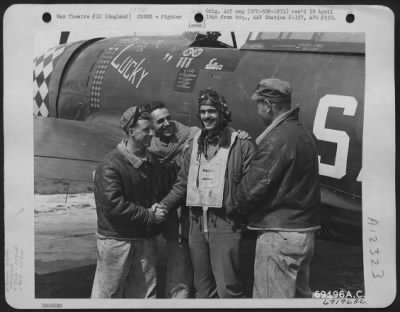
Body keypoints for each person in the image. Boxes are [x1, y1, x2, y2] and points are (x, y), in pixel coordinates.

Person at [153, 88, 256, 298]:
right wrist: (162, 205)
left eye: (212, 111)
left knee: (228, 288)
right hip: (197, 224)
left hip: (225, 225)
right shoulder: (194, 144)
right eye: (203, 111)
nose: (206, 116)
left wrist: (237, 214)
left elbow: (252, 188)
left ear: (222, 113)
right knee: (203, 288)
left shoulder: (241, 144)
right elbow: (182, 183)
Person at [233, 78, 321, 298]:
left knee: (270, 301)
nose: (258, 109)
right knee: (300, 300)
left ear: (268, 105)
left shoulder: (276, 140)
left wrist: (234, 210)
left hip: (279, 237)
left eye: (258, 104)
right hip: (304, 234)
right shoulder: (305, 135)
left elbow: (248, 192)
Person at [91, 105, 167, 298]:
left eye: (152, 128)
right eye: (146, 130)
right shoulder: (110, 165)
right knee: (108, 296)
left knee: (145, 297)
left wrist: (157, 205)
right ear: (131, 132)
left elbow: (157, 192)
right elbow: (114, 206)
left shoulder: (153, 162)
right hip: (116, 241)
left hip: (144, 240)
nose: (152, 133)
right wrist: (150, 216)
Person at [147, 101, 199, 298]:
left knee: (195, 262)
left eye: (169, 118)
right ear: (151, 126)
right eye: (161, 121)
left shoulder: (192, 135)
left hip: (191, 210)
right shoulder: (149, 148)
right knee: (177, 259)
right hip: (168, 213)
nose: (168, 123)